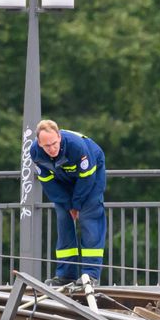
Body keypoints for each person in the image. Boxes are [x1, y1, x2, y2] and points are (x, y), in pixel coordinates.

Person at [29, 119, 107, 285]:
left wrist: (76, 205)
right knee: (63, 220)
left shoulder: (77, 146)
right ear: (39, 143)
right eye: (46, 146)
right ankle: (66, 275)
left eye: (54, 143)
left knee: (89, 219)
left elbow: (86, 179)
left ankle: (91, 275)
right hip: (62, 181)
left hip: (89, 178)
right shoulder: (35, 152)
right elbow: (48, 182)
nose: (52, 149)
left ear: (59, 136)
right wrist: (67, 205)